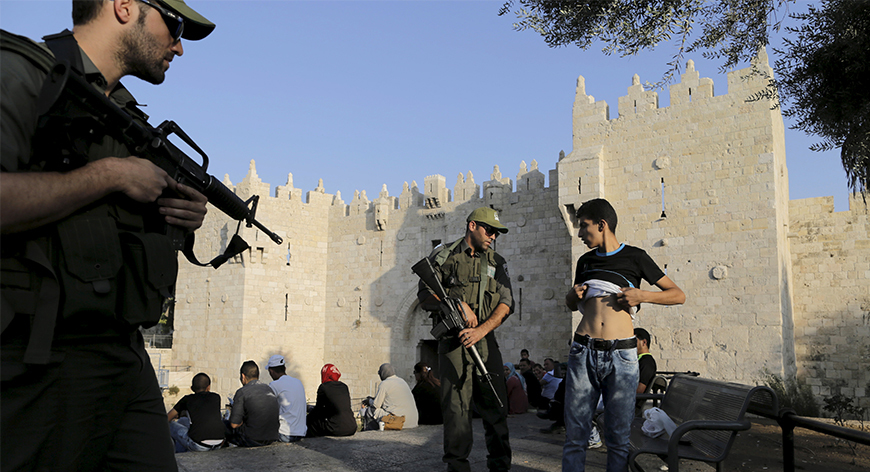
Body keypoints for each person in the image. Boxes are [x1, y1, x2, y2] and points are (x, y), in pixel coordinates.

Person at [0, 1, 213, 469]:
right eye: (173, 25)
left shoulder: (128, 119)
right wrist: (109, 175)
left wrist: (179, 214)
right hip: (36, 359)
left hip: (123, 356)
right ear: (123, 7)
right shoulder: (21, 73)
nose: (178, 46)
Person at [562, 198, 685, 471]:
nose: (580, 234)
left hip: (622, 355)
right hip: (583, 351)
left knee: (618, 438)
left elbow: (678, 295)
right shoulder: (585, 261)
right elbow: (573, 305)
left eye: (584, 226)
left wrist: (643, 295)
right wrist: (571, 297)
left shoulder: (636, 257)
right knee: (576, 436)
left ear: (602, 225)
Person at [417, 206, 513, 472]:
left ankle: (500, 467)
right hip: (452, 344)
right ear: (472, 226)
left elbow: (506, 303)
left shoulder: (497, 262)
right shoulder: (444, 256)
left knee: (496, 409)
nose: (493, 236)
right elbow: (424, 295)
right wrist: (457, 304)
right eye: (489, 230)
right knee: (457, 414)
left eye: (497, 233)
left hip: (484, 342)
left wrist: (481, 330)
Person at [167, 373, 225, 452]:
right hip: (218, 443)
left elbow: (167, 418)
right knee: (187, 422)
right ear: (208, 387)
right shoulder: (216, 397)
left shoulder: (187, 399)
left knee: (170, 425)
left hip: (199, 446)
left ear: (192, 388)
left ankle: (173, 453)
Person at [226, 360, 280, 447]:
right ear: (258, 375)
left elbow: (234, 424)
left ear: (243, 376)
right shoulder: (268, 389)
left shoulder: (242, 392)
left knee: (225, 425)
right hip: (271, 437)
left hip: (252, 439)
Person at [362, 363, 419, 429]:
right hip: (412, 421)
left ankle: (371, 433)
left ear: (382, 373)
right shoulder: (402, 381)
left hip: (399, 421)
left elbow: (376, 405)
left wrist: (369, 401)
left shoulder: (384, 383)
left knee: (370, 410)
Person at [306, 364, 357, 437]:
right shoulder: (344, 386)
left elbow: (318, 410)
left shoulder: (324, 387)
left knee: (311, 420)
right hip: (352, 427)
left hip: (336, 428)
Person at [267, 354, 307, 442]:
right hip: (301, 433)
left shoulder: (274, 385)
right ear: (284, 368)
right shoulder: (298, 382)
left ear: (271, 371)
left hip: (284, 434)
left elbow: (267, 407)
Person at [634, 327, 658, 414]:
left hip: (630, 407)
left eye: (633, 341)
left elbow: (639, 390)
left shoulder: (647, 362)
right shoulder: (639, 360)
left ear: (644, 342)